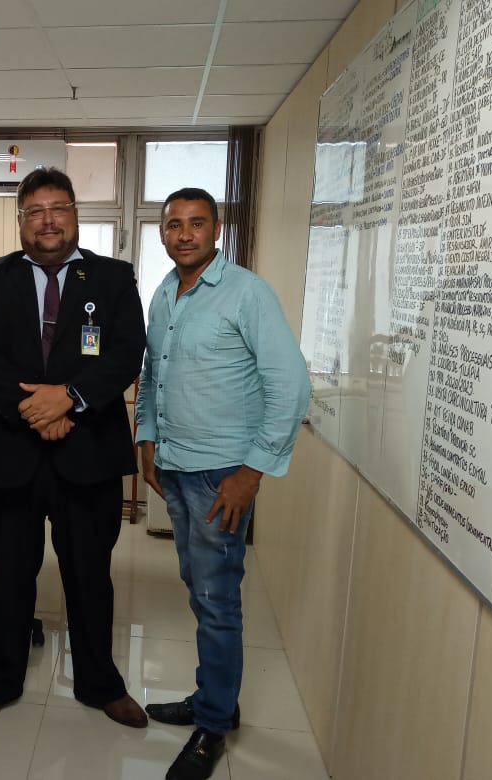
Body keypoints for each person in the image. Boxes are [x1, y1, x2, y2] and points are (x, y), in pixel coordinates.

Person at [0, 167, 148, 729]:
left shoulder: (113, 278)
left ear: (75, 214)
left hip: (87, 456)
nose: (48, 220)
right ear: (21, 221)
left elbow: (126, 352)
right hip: (8, 453)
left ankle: (100, 683)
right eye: (35, 211)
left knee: (89, 574)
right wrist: (35, 409)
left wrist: (70, 399)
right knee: (9, 573)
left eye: (58, 208)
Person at [135, 188, 310, 780]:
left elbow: (291, 385)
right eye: (174, 224)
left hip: (222, 476)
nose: (184, 234)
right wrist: (147, 439)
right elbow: (153, 375)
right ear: (163, 232)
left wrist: (251, 472)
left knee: (216, 599)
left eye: (197, 223)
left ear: (217, 230)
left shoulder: (247, 293)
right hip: (176, 467)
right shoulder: (165, 293)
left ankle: (212, 724)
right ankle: (215, 697)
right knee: (199, 588)